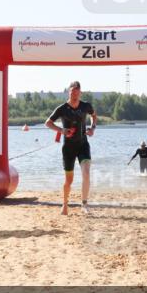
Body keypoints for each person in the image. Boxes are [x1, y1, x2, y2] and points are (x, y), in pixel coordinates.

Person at [46, 81, 97, 215]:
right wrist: (61, 130)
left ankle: (84, 204)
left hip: (83, 145)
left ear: (80, 92)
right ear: (69, 92)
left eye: (76, 92)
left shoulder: (86, 106)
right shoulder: (62, 108)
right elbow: (48, 123)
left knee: (86, 173)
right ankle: (65, 204)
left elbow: (94, 115)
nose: (74, 94)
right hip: (68, 148)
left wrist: (92, 128)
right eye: (72, 92)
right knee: (69, 180)